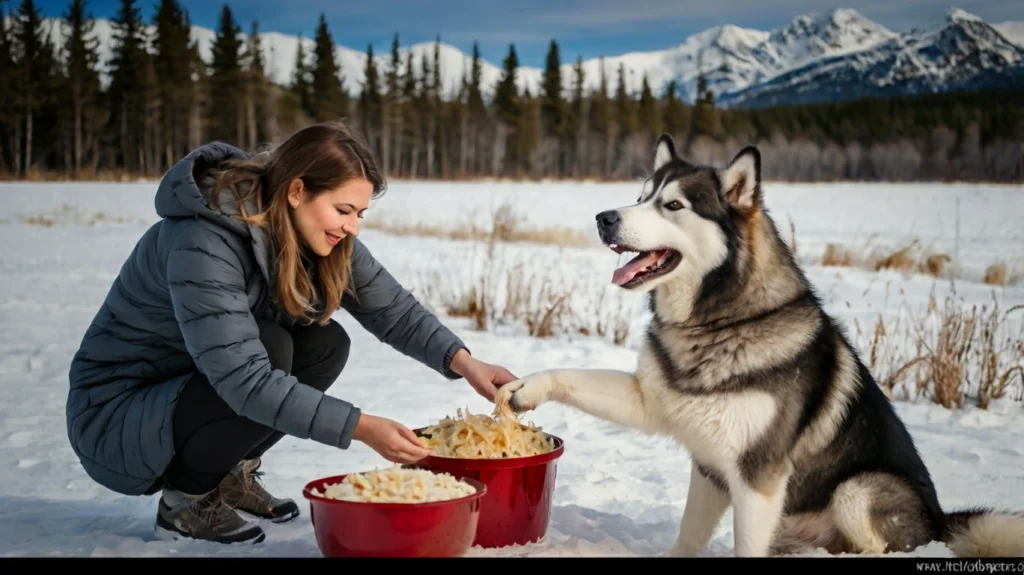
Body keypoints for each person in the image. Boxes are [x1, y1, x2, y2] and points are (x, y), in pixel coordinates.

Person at [66, 122, 518, 545]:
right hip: (117, 414)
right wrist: (362, 428)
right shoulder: (203, 241)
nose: (352, 227)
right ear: (298, 190)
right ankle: (185, 501)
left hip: (187, 386)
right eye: (343, 210)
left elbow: (392, 309)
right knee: (271, 348)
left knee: (324, 345)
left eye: (359, 212)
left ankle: (225, 471)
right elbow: (245, 379)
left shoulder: (311, 231)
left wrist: (463, 361)